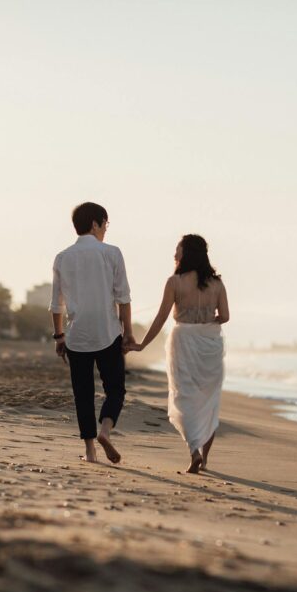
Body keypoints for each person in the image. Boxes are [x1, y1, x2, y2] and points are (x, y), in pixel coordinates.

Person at [126, 234, 229, 473]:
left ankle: (194, 452)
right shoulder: (217, 284)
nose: (174, 254)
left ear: (186, 254)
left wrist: (142, 344)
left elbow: (162, 317)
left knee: (184, 397)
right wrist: (207, 320)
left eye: (178, 250)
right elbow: (225, 316)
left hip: (183, 340)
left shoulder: (174, 282)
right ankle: (205, 457)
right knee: (208, 400)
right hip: (210, 342)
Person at [50, 202, 135, 464]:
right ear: (95, 224)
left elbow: (56, 304)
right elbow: (123, 298)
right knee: (116, 389)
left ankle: (90, 450)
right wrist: (128, 333)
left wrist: (59, 336)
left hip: (77, 336)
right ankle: (105, 431)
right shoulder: (111, 253)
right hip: (108, 333)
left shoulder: (63, 257)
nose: (106, 229)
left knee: (83, 393)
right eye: (105, 224)